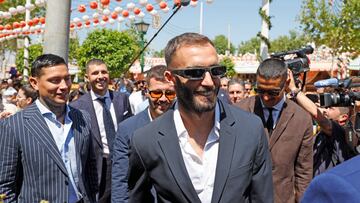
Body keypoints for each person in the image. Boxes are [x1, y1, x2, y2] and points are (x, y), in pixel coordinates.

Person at [128, 32, 273, 203]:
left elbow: (262, 198)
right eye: (195, 72)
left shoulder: (250, 130)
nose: (209, 82)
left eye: (215, 71)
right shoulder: (146, 140)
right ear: (170, 78)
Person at [0, 54, 98, 202]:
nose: (64, 86)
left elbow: (90, 170)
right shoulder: (14, 126)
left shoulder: (83, 118)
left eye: (67, 78)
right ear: (34, 83)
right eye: (55, 80)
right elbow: (4, 187)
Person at [236, 58, 313, 202]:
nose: (265, 97)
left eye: (273, 92)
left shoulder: (301, 119)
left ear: (286, 85)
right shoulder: (239, 111)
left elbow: (304, 172)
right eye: (260, 90)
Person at [70, 58, 132, 203]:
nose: (100, 76)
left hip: (121, 161)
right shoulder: (77, 106)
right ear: (87, 77)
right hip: (96, 167)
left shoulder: (122, 99)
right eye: (95, 73)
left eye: (104, 72)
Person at [112, 65, 176, 202]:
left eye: (169, 93)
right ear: (146, 91)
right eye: (157, 93)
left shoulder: (188, 125)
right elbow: (120, 180)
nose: (163, 99)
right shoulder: (127, 129)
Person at [286, 71, 357, 176]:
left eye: (330, 108)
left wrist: (294, 89)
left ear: (343, 117)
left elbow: (317, 115)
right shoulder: (324, 133)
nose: (324, 110)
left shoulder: (342, 132)